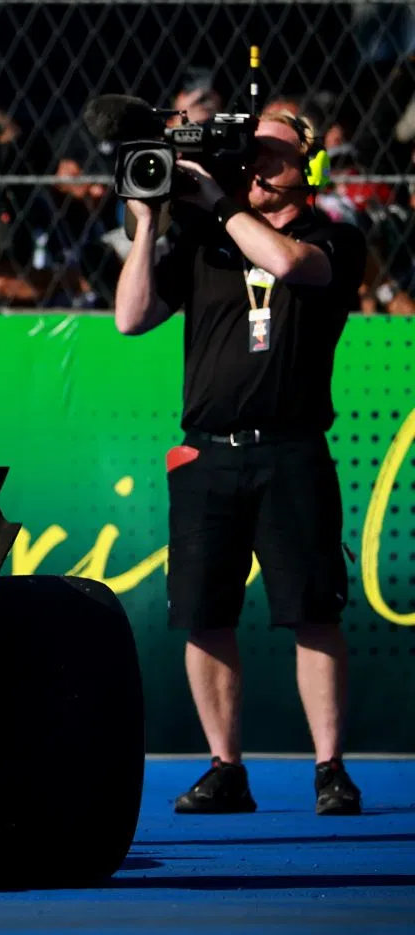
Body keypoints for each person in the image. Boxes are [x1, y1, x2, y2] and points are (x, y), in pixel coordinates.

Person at [114, 114, 365, 817]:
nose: (256, 170)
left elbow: (287, 265)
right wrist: (147, 224)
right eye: (248, 158)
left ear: (305, 167)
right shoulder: (203, 242)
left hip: (290, 448)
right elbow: (129, 317)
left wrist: (219, 203)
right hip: (208, 451)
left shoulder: (332, 238)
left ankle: (329, 766)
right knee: (204, 614)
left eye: (273, 159)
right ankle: (226, 766)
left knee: (312, 611)